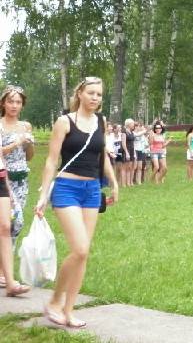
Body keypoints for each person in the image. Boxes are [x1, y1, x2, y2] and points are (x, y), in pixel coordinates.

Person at [34, 77, 119, 328]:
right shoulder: (65, 122)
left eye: (99, 94)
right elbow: (51, 160)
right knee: (80, 249)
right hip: (66, 188)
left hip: (91, 190)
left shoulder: (101, 122)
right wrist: (43, 194)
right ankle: (54, 301)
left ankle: (69, 311)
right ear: (80, 93)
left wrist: (113, 182)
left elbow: (102, 156)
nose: (95, 98)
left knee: (83, 255)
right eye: (91, 93)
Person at [0, 85, 34, 295]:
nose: (14, 105)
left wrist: (28, 143)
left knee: (16, 224)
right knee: (8, 223)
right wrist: (16, 143)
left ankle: (4, 271)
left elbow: (29, 156)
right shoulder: (0, 126)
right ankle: (4, 273)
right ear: (3, 103)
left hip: (21, 179)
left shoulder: (25, 126)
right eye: (10, 101)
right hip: (5, 178)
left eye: (18, 102)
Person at [122, 119, 136, 187]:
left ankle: (129, 183)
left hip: (132, 150)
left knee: (130, 167)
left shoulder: (131, 132)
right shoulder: (124, 132)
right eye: (132, 123)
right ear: (129, 124)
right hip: (126, 151)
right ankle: (124, 184)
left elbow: (139, 134)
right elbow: (123, 144)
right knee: (125, 167)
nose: (133, 125)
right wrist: (127, 152)